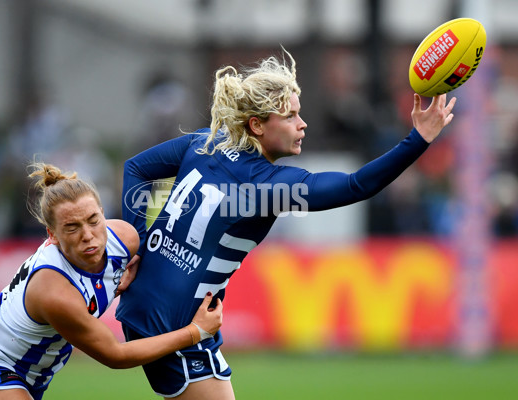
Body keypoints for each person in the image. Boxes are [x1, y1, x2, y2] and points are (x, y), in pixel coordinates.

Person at [115, 49, 456, 399]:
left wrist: (136, 248)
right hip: (178, 324)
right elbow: (358, 185)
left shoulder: (206, 141)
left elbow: (136, 169)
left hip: (145, 306)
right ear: (257, 125)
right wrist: (419, 138)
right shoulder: (267, 185)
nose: (302, 123)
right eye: (290, 115)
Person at [0, 162, 223, 400]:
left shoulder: (125, 239)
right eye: (72, 227)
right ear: (52, 236)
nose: (88, 235)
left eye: (94, 220)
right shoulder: (54, 292)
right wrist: (195, 332)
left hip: (32, 371)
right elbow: (116, 355)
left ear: (104, 213)